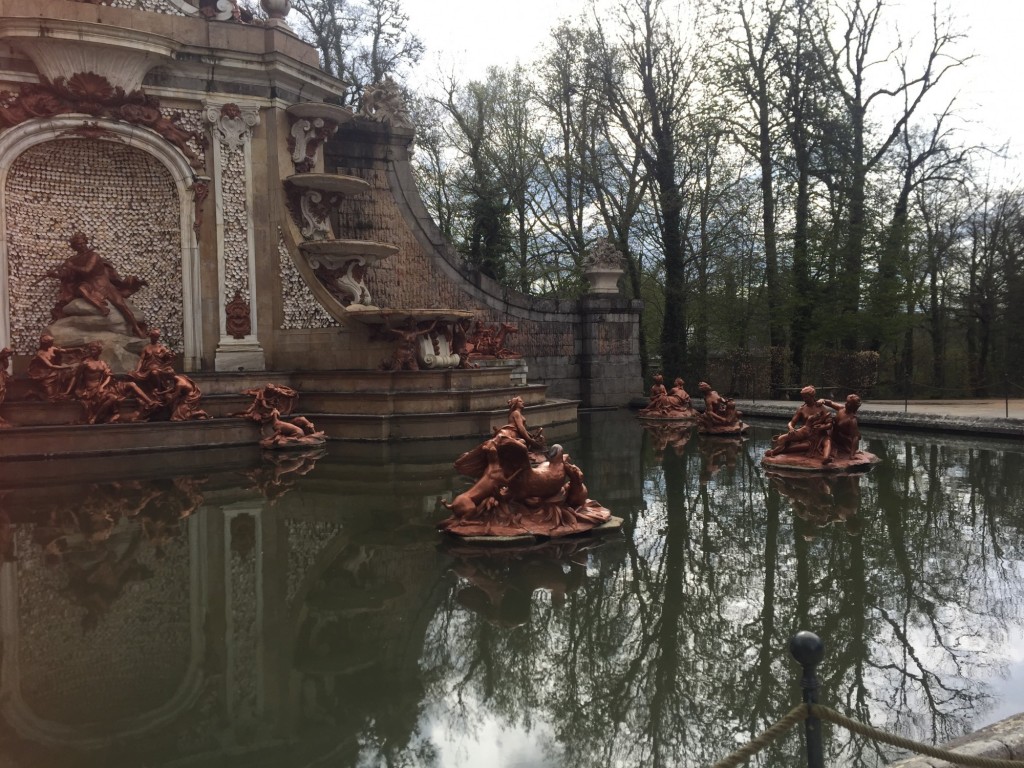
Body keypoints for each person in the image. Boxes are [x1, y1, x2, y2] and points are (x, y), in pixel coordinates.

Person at [49, 232, 147, 337]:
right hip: (90, 284)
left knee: (121, 305)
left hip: (104, 285)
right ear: (74, 247)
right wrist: (55, 275)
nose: (81, 246)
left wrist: (71, 265)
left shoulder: (94, 255)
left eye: (82, 243)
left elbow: (87, 270)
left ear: (86, 242)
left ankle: (136, 328)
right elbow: (70, 276)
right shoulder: (74, 259)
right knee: (82, 288)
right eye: (78, 244)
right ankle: (102, 307)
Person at [27, 334, 78, 400]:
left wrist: (76, 349)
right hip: (46, 375)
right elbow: (51, 366)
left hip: (56, 372)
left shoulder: (52, 348)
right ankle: (35, 394)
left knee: (74, 372)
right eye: (51, 342)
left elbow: (65, 351)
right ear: (46, 343)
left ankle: (66, 393)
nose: (53, 343)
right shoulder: (40, 354)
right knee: (50, 396)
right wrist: (68, 367)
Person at [818, 394, 863, 462]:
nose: (845, 403)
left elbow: (855, 437)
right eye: (846, 401)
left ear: (853, 406)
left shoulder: (852, 420)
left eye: (848, 403)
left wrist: (852, 455)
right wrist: (823, 400)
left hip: (844, 441)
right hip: (834, 435)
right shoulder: (841, 408)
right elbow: (831, 403)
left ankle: (828, 455)